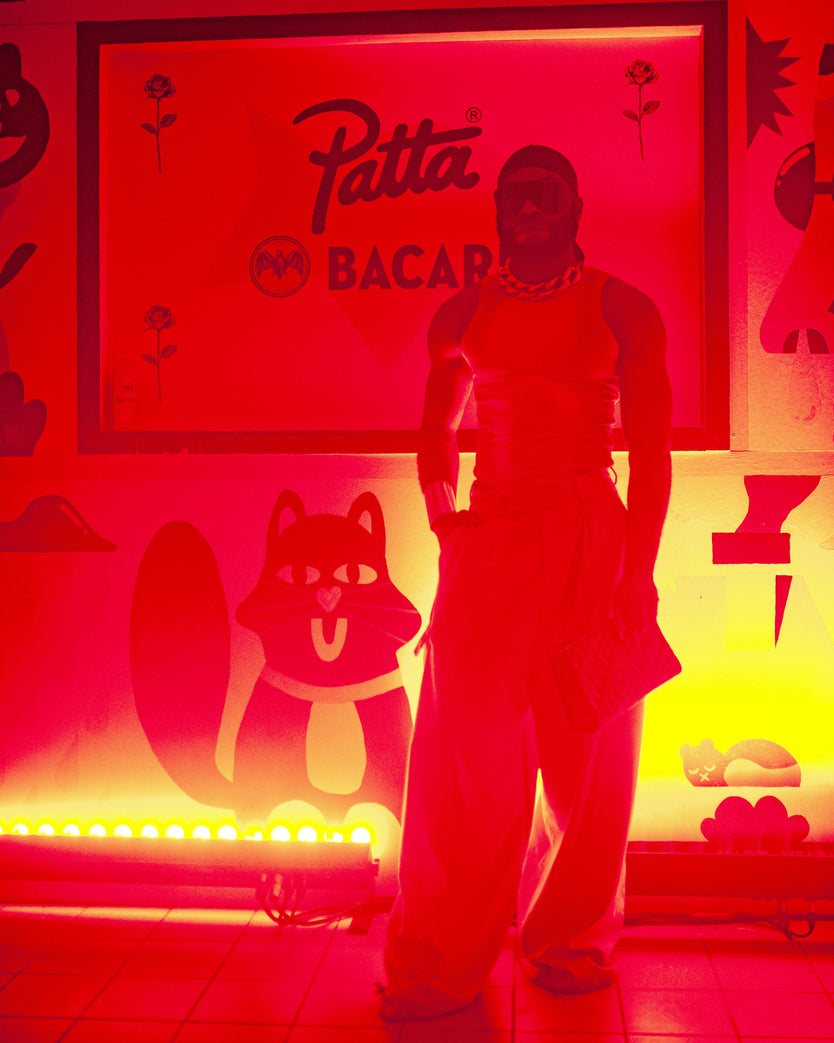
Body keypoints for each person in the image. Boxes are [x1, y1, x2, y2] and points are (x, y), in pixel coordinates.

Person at [380, 144, 672, 1022]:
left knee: (591, 754)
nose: (531, 209)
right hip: (493, 532)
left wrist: (640, 574)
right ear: (499, 210)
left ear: (576, 206)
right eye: (517, 196)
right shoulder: (462, 312)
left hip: (591, 531)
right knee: (461, 751)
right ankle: (437, 962)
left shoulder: (622, 306)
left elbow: (652, 451)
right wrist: (445, 522)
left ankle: (568, 942)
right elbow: (434, 432)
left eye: (547, 194)